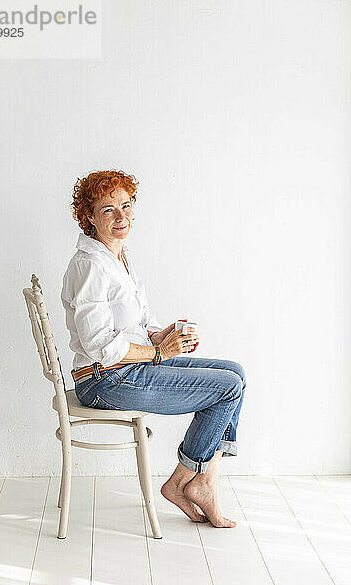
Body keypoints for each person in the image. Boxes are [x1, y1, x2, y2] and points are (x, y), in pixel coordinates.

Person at [61, 169, 246, 528]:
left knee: (236, 372)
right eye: (108, 210)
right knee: (228, 387)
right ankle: (185, 482)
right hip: (103, 382)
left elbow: (132, 325)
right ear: (89, 217)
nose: (121, 217)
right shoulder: (89, 266)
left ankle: (204, 480)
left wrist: (161, 335)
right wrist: (160, 354)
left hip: (128, 369)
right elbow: (100, 346)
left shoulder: (117, 256)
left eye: (126, 206)